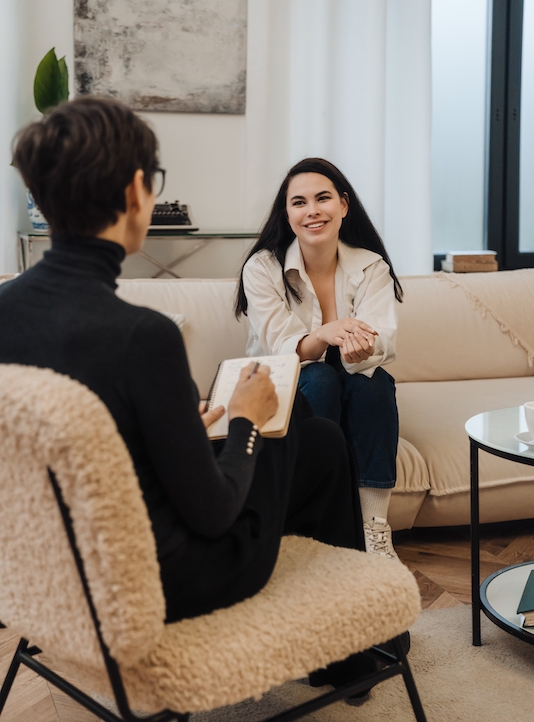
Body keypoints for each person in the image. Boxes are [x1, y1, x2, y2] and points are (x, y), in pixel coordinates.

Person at [1, 98, 366, 648]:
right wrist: (243, 421)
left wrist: (173, 425)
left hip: (51, 571)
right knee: (308, 431)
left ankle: (348, 644)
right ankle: (352, 647)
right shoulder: (142, 336)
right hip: (170, 578)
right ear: (134, 193)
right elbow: (216, 512)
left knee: (317, 431)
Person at [236, 158, 403, 559]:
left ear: (343, 206)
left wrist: (361, 347)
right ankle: (319, 526)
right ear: (287, 213)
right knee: (321, 379)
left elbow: (381, 339)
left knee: (373, 380)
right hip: (280, 386)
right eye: (299, 202)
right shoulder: (262, 268)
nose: (312, 210)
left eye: (323, 198)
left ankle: (373, 528)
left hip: (351, 385)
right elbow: (282, 346)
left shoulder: (370, 266)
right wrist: (324, 334)